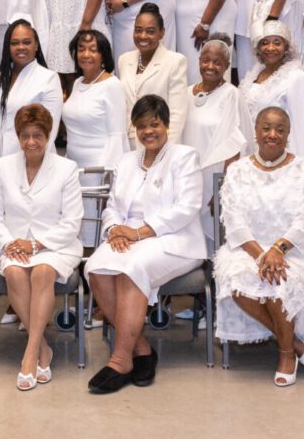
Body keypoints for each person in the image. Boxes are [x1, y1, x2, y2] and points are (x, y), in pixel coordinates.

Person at [84, 95, 207, 394]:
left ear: (166, 124)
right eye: (141, 126)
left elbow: (187, 207)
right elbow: (112, 206)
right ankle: (141, 349)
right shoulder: (127, 161)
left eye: (154, 124)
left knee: (131, 270)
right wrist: (114, 229)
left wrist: (137, 232)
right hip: (128, 238)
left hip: (175, 240)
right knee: (96, 267)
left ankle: (121, 359)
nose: (148, 131)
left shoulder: (184, 156)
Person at [213, 106, 304, 387]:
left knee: (280, 282)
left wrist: (278, 250)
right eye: (266, 128)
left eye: (280, 129)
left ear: (288, 135)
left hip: (295, 247)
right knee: (236, 282)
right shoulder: (238, 170)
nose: (272, 134)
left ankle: (286, 353)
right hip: (247, 247)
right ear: (256, 132)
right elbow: (233, 220)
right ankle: (295, 342)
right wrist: (263, 254)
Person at [0, 104, 82, 390]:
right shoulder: (3, 166)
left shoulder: (66, 168)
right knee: (14, 274)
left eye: (37, 135)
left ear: (49, 135)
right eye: (25, 135)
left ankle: (30, 355)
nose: (31, 142)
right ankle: (42, 349)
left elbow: (72, 221)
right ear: (17, 136)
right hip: (14, 245)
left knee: (41, 273)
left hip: (55, 245)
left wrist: (36, 243)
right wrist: (8, 243)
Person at [0, 20, 63, 168]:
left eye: (26, 42)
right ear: (8, 47)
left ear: (36, 45)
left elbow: (48, 131)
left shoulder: (49, 78)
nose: (21, 47)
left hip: (33, 166)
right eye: (14, 43)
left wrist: (30, 170)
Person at [239, 20, 304, 159]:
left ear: (286, 47)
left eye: (277, 43)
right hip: (251, 154)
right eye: (264, 43)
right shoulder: (251, 76)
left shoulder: (297, 78)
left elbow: (303, 133)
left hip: (280, 157)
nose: (270, 48)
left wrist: (296, 169)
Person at [115, 5, 189, 148]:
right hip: (127, 143)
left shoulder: (175, 61)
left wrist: (166, 151)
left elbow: (177, 114)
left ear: (161, 33)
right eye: (138, 30)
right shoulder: (124, 60)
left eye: (150, 31)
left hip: (156, 142)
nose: (143, 36)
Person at [61, 30, 130, 169]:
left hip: (98, 169)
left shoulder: (112, 85)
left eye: (93, 50)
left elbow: (117, 136)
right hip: (73, 167)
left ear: (103, 56)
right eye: (81, 49)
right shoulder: (78, 83)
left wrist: (106, 174)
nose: (86, 54)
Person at [181, 38, 246, 185]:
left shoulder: (231, 94)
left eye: (217, 62)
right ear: (199, 61)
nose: (210, 66)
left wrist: (223, 183)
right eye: (206, 60)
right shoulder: (186, 92)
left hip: (214, 175)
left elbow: (234, 143)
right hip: (186, 173)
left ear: (227, 66)